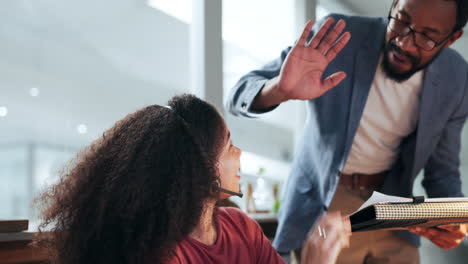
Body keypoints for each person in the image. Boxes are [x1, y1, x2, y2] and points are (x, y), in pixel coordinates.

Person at [226, 0, 468, 263]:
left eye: (427, 38)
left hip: (393, 210)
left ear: (451, 38)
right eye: (401, 21)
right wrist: (278, 90)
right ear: (395, 4)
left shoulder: (457, 77)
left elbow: (442, 171)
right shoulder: (337, 36)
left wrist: (454, 216)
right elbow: (239, 93)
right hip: (326, 201)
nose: (404, 42)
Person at [34, 94, 351, 264]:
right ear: (197, 167)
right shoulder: (163, 253)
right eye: (228, 145)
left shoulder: (242, 228)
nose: (238, 153)